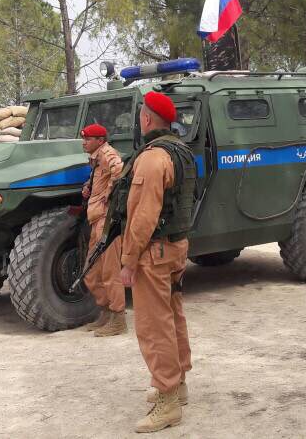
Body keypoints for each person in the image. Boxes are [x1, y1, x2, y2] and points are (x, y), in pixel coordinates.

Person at [116, 91, 197, 433]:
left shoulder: (152, 159)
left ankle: (167, 401)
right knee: (172, 315)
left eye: (140, 116)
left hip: (153, 252)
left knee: (153, 325)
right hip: (176, 247)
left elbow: (143, 217)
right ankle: (177, 385)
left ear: (147, 119)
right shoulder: (181, 152)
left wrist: (128, 261)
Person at [79, 123, 126, 337]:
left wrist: (108, 194)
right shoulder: (96, 157)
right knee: (91, 272)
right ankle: (106, 313)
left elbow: (120, 171)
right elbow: (104, 178)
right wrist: (91, 188)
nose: (84, 142)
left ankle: (118, 319)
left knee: (110, 272)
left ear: (99, 140)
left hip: (106, 221)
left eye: (88, 139)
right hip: (96, 219)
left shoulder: (107, 153)